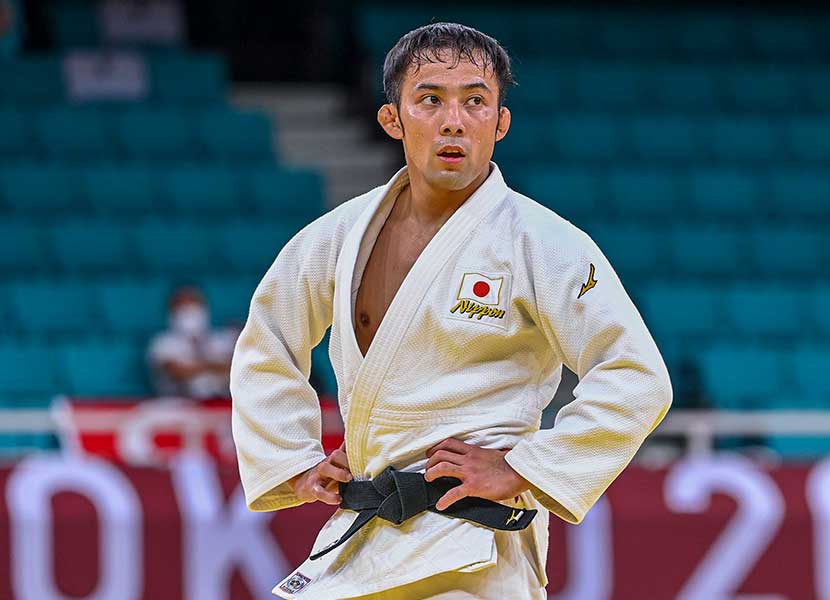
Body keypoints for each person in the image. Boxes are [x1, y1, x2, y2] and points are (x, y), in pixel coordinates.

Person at [230, 22, 672, 599]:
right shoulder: (336, 237)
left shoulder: (542, 242)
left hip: (474, 547)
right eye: (430, 99)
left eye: (475, 101)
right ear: (393, 119)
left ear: (499, 122)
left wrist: (523, 468)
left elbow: (637, 376)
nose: (453, 120)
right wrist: (292, 458)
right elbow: (267, 342)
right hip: (367, 532)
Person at [147, 284, 238, 399]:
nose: (189, 310)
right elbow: (177, 372)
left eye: (194, 303)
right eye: (182, 306)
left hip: (220, 404)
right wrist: (215, 366)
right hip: (178, 405)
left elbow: (238, 369)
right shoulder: (162, 343)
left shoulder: (221, 339)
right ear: (172, 312)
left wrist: (197, 367)